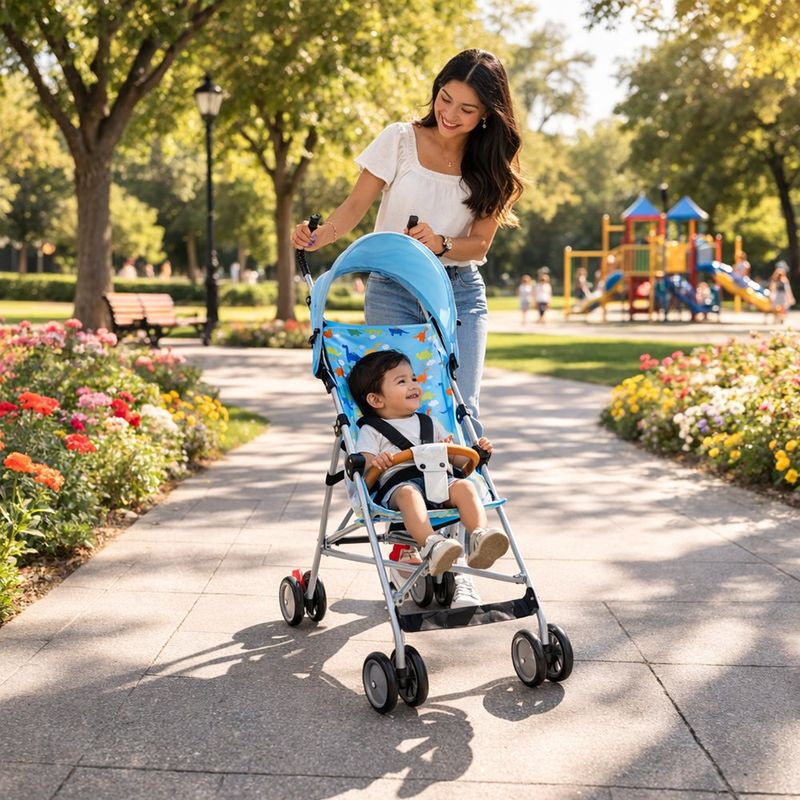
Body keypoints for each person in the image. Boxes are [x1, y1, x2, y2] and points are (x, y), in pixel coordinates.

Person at [293, 49, 522, 608]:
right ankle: (410, 555)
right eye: (446, 98)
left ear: (487, 116)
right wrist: (318, 238)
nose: (451, 114)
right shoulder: (399, 140)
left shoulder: (490, 167)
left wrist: (442, 242)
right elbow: (352, 210)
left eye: (467, 109)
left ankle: (461, 558)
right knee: (393, 413)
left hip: (457, 291)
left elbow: (479, 244)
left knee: (457, 410)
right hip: (392, 286)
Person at [347, 350, 508, 581]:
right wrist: (377, 462)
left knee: (465, 487)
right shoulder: (371, 429)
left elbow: (459, 462)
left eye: (413, 378)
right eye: (402, 381)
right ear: (376, 400)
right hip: (399, 484)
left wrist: (475, 453)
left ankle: (479, 537)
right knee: (409, 494)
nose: (414, 384)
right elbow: (364, 465)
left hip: (439, 479)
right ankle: (432, 545)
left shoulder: (430, 423)